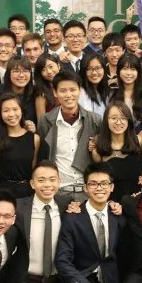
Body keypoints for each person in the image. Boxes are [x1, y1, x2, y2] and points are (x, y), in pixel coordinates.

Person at [37, 72, 103, 203]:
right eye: (63, 91)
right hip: (58, 192)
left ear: (80, 90)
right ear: (55, 92)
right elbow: (42, 156)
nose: (68, 95)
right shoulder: (46, 121)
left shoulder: (95, 120)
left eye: (73, 90)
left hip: (88, 191)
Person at [0, 93, 40, 199]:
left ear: (21, 111)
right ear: (0, 114)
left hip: (29, 193)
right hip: (5, 194)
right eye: (6, 110)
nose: (11, 114)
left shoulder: (35, 139)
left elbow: (35, 173)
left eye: (15, 109)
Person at [89, 101, 142, 201]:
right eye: (113, 118)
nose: (118, 122)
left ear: (128, 120)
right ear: (106, 120)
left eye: (123, 118)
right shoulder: (98, 152)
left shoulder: (139, 141)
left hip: (137, 202)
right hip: (112, 204)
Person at [113, 54, 142, 130]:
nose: (128, 73)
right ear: (118, 71)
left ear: (138, 72)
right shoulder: (112, 91)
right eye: (125, 69)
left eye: (133, 69)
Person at [33, 53, 62, 120]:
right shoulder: (42, 94)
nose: (49, 71)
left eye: (51, 67)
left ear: (58, 66)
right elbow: (41, 121)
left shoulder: (68, 84)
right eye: (43, 70)